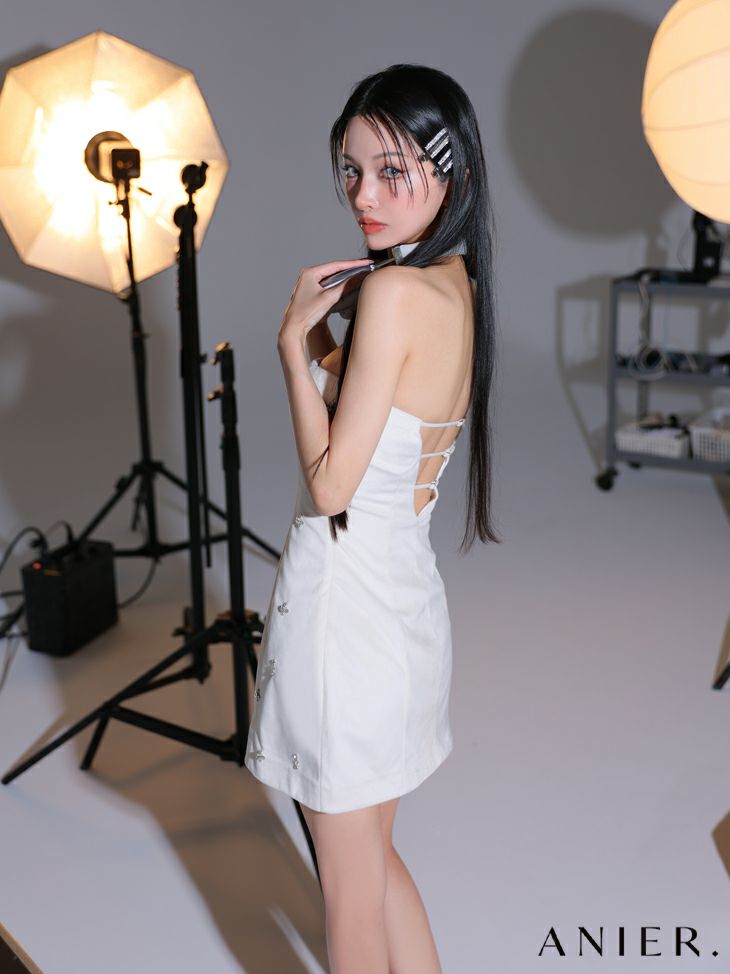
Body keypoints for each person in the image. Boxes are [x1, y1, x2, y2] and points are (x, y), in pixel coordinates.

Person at [244, 63, 500, 973]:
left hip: (343, 629)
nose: (364, 195)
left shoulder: (392, 293)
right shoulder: (454, 284)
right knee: (377, 865)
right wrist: (324, 338)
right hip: (401, 615)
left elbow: (331, 486)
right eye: (352, 172)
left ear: (450, 169)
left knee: (350, 900)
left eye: (393, 171)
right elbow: (372, 419)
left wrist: (290, 344)